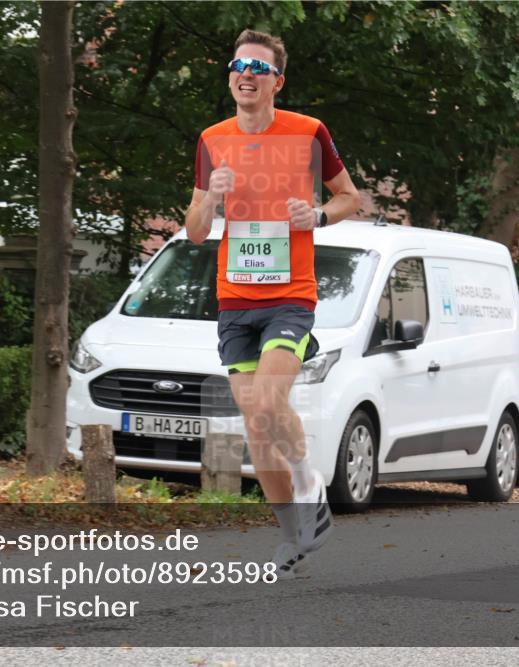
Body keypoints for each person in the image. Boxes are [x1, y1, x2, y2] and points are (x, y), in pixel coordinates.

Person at [184, 29, 361, 578]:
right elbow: (193, 233)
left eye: (258, 68)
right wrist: (212, 196)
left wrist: (320, 215)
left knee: (265, 402)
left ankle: (310, 480)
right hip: (235, 300)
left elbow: (352, 196)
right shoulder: (212, 139)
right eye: (238, 65)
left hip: (290, 296)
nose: (245, 74)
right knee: (257, 432)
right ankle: (296, 538)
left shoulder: (308, 133)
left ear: (276, 81)